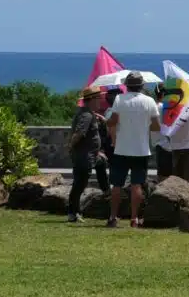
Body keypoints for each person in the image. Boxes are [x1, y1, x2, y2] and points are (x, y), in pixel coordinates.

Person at [106, 72, 161, 228]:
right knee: (137, 185)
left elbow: (113, 122)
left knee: (116, 185)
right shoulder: (149, 101)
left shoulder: (119, 99)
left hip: (121, 148)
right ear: (142, 86)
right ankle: (134, 218)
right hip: (141, 149)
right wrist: (142, 125)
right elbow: (156, 126)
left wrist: (107, 121)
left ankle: (113, 217)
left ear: (126, 85)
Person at [67, 87, 105, 222]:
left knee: (102, 164)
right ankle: (73, 212)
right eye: (98, 98)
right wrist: (70, 147)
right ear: (92, 100)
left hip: (91, 155)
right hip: (84, 156)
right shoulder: (86, 115)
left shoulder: (89, 114)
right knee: (80, 184)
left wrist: (97, 151)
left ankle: (106, 193)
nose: (101, 101)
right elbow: (79, 133)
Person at [152, 86, 174, 181]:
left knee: (161, 173)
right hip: (166, 144)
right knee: (166, 176)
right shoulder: (164, 107)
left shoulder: (153, 106)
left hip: (157, 143)